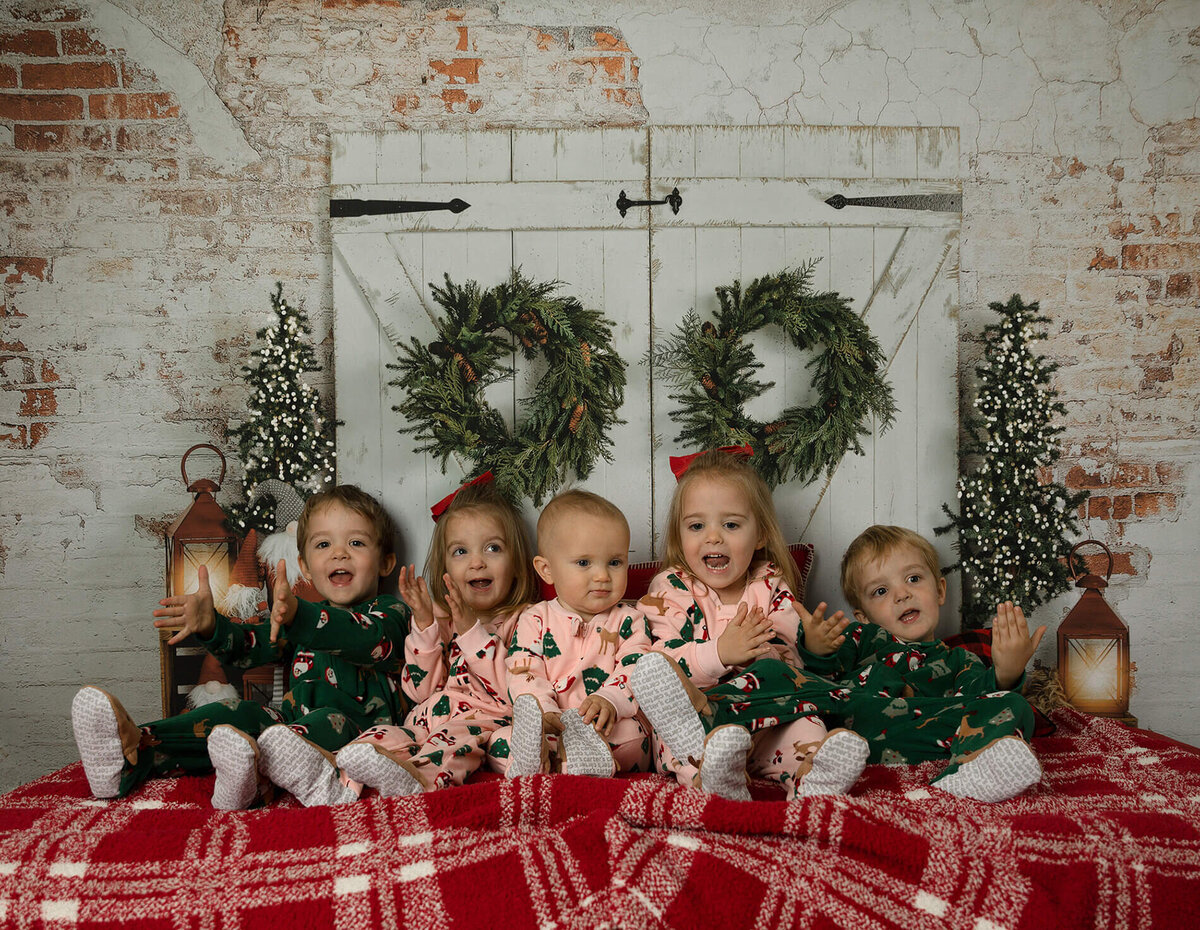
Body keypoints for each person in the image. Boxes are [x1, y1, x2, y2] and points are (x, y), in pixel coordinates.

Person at [70, 484, 410, 809]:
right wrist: (212, 626)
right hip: (287, 727)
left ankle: (251, 777)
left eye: (356, 543)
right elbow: (249, 648)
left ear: (385, 562)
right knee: (234, 714)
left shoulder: (390, 613)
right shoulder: (293, 616)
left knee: (322, 720)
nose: (339, 553)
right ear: (304, 565)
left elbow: (366, 640)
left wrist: (299, 617)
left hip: (360, 734)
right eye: (323, 545)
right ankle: (135, 752)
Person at [632, 447, 868, 801]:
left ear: (758, 535)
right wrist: (720, 653)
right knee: (675, 732)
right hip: (701, 719)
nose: (713, 537)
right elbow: (660, 670)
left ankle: (813, 779)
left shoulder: (769, 583)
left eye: (730, 524)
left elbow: (787, 663)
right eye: (697, 525)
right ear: (680, 534)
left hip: (768, 716)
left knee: (805, 723)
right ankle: (713, 778)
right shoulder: (670, 589)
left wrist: (812, 647)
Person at [796, 524, 1044, 802]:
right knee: (806, 688)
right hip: (860, 733)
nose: (902, 595)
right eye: (880, 591)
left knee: (1015, 705)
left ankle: (963, 775)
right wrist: (817, 647)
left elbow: (980, 699)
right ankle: (828, 770)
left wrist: (1007, 671)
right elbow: (826, 676)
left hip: (929, 736)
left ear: (939, 591)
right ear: (863, 616)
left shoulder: (959, 659)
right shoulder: (862, 636)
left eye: (913, 579)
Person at [336, 475, 539, 796]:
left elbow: (514, 690)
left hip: (481, 723)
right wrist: (425, 624)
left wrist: (473, 631)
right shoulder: (443, 624)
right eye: (460, 551)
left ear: (515, 563)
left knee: (451, 745)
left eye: (493, 548)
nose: (476, 562)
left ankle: (420, 787)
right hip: (426, 721)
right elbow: (418, 690)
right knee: (379, 737)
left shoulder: (526, 619)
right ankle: (339, 786)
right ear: (444, 567)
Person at [502, 489, 654, 778]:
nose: (602, 576)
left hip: (604, 725)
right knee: (500, 740)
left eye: (615, 562)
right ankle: (541, 760)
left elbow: (637, 665)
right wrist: (544, 710)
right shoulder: (535, 619)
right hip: (552, 725)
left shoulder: (629, 619)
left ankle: (566, 765)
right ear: (547, 570)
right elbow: (523, 670)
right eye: (584, 563)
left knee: (634, 736)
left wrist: (610, 698)